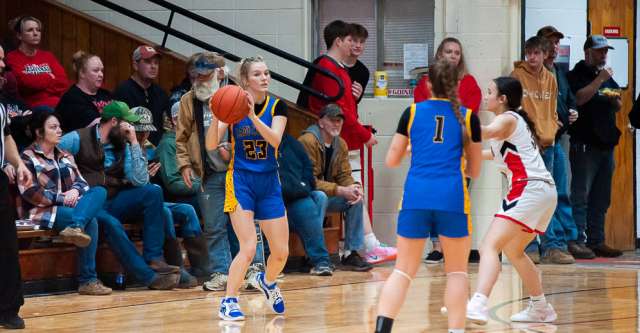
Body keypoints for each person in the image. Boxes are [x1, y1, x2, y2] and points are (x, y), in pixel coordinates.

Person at [374, 59, 482, 333]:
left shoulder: (410, 113)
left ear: (428, 84)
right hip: (452, 199)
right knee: (456, 272)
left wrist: (412, 150)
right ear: (458, 84)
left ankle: (382, 329)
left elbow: (391, 161)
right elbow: (475, 170)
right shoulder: (469, 117)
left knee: (402, 271)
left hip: (416, 198)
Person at [465, 77, 557, 325]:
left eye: (490, 91)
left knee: (488, 246)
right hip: (544, 191)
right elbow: (489, 153)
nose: (486, 96)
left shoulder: (507, 119)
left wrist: (457, 122)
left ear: (502, 99)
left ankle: (479, 303)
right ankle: (540, 307)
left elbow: (483, 132)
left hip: (529, 187)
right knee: (514, 250)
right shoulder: (511, 125)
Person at [208, 56, 289, 321]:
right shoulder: (231, 105)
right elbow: (211, 145)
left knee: (281, 252)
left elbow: (275, 140)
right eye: (257, 74)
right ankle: (228, 301)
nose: (264, 78)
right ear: (245, 80)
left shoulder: (278, 106)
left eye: (267, 73)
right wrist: (214, 115)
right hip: (241, 180)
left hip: (269, 182)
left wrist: (252, 116)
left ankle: (267, 281)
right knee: (249, 247)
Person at [57, 100, 176, 274]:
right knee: (112, 224)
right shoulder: (78, 138)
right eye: (126, 123)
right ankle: (145, 275)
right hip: (91, 202)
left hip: (115, 198)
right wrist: (66, 165)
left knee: (153, 191)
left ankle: (154, 258)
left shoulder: (124, 144)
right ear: (113, 121)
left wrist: (134, 142)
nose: (130, 127)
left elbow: (140, 181)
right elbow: (49, 149)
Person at [18, 111, 113, 295]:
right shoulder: (27, 158)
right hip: (42, 210)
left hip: (72, 206)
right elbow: (30, 192)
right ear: (39, 132)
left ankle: (76, 227)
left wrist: (76, 191)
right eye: (53, 127)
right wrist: (63, 198)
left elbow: (82, 182)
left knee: (99, 190)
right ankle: (88, 280)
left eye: (59, 126)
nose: (60, 131)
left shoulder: (65, 155)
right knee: (90, 221)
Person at [413, 37, 482, 264]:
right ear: (439, 55)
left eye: (457, 53)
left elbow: (468, 117)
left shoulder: (469, 83)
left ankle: (453, 246)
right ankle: (436, 246)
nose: (453, 56)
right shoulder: (425, 83)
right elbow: (421, 112)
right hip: (430, 152)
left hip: (457, 152)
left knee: (455, 199)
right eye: (448, 51)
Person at [130, 105, 210, 286]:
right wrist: (202, 184)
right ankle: (177, 267)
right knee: (168, 211)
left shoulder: (148, 147)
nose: (144, 135)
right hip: (139, 200)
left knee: (189, 210)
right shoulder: (163, 145)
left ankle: (203, 268)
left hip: (155, 197)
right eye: (139, 131)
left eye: (146, 131)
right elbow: (172, 183)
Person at [175, 52, 232, 291]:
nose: (198, 80)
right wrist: (185, 164)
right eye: (195, 76)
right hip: (206, 173)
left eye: (204, 76)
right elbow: (182, 137)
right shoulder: (189, 100)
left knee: (245, 225)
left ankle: (253, 270)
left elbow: (248, 131)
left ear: (219, 73)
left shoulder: (234, 95)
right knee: (213, 226)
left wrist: (233, 149)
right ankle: (221, 272)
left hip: (235, 170)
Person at [344, 22, 397, 265]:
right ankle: (361, 245)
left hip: (349, 132)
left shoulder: (363, 72)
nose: (357, 45)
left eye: (361, 41)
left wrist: (355, 96)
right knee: (353, 190)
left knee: (357, 190)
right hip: (340, 133)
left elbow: (353, 106)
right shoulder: (330, 67)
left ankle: (361, 246)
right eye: (353, 40)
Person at [566, 35, 623, 258]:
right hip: (585, 144)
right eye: (599, 51)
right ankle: (578, 241)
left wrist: (615, 99)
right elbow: (579, 98)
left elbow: (617, 104)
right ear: (587, 51)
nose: (603, 55)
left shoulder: (606, 77)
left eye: (605, 51)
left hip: (606, 144)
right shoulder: (575, 75)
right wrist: (599, 80)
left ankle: (597, 240)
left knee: (601, 197)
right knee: (581, 194)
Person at [299, 104, 372, 272]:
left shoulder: (341, 144)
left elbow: (344, 174)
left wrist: (354, 187)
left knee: (355, 199)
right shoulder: (307, 141)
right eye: (332, 120)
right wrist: (339, 190)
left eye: (339, 120)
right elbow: (309, 181)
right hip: (304, 196)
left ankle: (350, 253)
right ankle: (313, 254)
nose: (336, 124)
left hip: (327, 193)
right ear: (320, 122)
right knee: (320, 197)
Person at [534, 26, 584, 263]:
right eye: (550, 43)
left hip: (559, 136)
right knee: (547, 193)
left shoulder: (558, 71)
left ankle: (568, 239)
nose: (554, 48)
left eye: (556, 43)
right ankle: (552, 244)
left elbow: (568, 98)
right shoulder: (534, 74)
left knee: (562, 191)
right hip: (542, 141)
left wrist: (572, 111)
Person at [510, 36, 559, 264]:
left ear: (544, 54)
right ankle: (527, 245)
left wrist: (553, 127)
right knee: (527, 198)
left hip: (547, 143)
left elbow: (551, 110)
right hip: (526, 146)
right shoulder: (517, 76)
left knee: (546, 198)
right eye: (528, 53)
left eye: (536, 53)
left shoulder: (551, 77)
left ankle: (550, 246)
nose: (531, 57)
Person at [0, 44, 32, 330]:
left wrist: (19, 164)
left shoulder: (0, 103)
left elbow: (7, 136)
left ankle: (8, 308)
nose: (2, 65)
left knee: (7, 246)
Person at [278, 132, 333, 276]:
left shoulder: (294, 145)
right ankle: (270, 264)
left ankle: (321, 262)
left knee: (308, 206)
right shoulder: (257, 142)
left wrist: (302, 186)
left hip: (296, 197)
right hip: (271, 198)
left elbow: (308, 171)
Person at [6, 16, 68, 110]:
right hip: (32, 108)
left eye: (38, 30)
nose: (35, 33)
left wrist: (38, 88)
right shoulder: (12, 57)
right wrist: (49, 77)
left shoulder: (48, 56)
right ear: (19, 35)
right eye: (30, 30)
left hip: (58, 104)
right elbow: (24, 83)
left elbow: (62, 82)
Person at [113, 45, 169, 145]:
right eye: (148, 62)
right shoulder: (123, 91)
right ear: (135, 65)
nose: (153, 66)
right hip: (131, 151)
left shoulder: (161, 93)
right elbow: (116, 128)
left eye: (156, 62)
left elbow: (166, 125)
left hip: (157, 153)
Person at [56, 51, 112, 133]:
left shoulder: (106, 94)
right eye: (96, 71)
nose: (101, 74)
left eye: (101, 70)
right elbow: (99, 127)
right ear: (82, 73)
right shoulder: (72, 99)